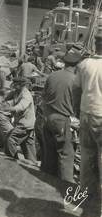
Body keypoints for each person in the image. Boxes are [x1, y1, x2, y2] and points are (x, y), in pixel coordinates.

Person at [73, 30, 102, 217]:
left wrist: (77, 110)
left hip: (85, 114)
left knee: (86, 156)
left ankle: (85, 197)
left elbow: (76, 89)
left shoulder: (84, 64)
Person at [41, 49, 81, 182]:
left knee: (49, 155)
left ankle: (44, 183)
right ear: (77, 64)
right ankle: (66, 190)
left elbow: (44, 97)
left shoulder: (52, 76)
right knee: (66, 156)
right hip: (62, 121)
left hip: (47, 117)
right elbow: (77, 105)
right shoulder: (75, 80)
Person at [4, 77, 37, 162]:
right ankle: (33, 164)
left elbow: (21, 106)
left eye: (15, 84)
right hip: (24, 124)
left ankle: (12, 162)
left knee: (10, 139)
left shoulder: (26, 94)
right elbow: (7, 99)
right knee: (28, 147)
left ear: (20, 85)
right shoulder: (16, 92)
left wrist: (10, 109)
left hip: (25, 125)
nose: (14, 86)